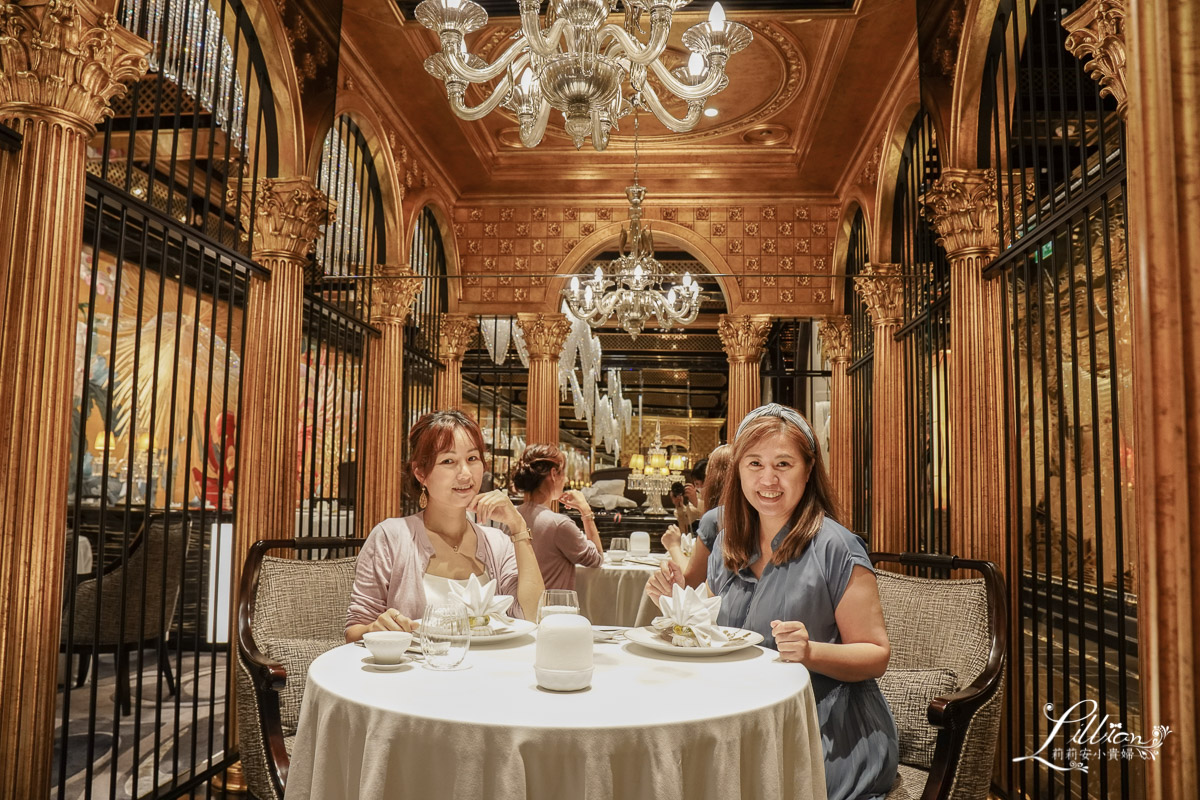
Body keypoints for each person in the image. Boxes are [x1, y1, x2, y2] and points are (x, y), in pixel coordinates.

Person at [647, 404, 898, 800]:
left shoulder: (837, 547)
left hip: (823, 730)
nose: (768, 479)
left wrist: (811, 651)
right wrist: (675, 604)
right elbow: (717, 637)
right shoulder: (727, 544)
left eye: (783, 463)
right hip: (743, 718)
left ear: (808, 469)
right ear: (739, 471)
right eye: (754, 464)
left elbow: (875, 655)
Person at [345, 410, 545, 641]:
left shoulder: (497, 542)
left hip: (486, 672)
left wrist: (518, 526)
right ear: (421, 472)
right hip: (416, 672)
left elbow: (532, 616)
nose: (465, 474)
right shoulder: (391, 537)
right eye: (448, 461)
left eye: (472, 459)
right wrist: (373, 629)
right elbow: (354, 631)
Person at [513, 443, 604, 590]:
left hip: (514, 608)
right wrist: (586, 511)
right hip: (551, 610)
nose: (566, 480)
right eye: (564, 473)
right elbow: (597, 559)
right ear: (554, 474)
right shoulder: (558, 525)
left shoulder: (511, 518)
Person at [661, 444, 731, 587]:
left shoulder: (714, 518)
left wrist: (673, 545)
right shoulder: (754, 515)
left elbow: (690, 581)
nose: (700, 488)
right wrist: (680, 506)